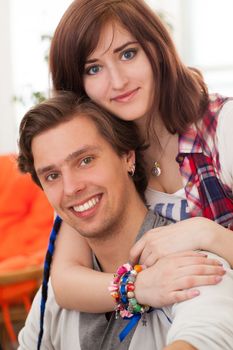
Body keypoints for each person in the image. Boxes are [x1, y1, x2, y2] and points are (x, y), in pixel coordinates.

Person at [47, 0, 233, 314]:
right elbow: (64, 282)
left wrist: (208, 234)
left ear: (157, 49)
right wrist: (139, 287)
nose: (118, 81)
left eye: (128, 54)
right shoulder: (99, 157)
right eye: (94, 69)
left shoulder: (222, 127)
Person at [17, 92, 233, 350]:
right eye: (52, 175)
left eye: (86, 160)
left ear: (127, 157)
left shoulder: (193, 266)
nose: (71, 188)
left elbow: (205, 335)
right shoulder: (55, 295)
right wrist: (134, 287)